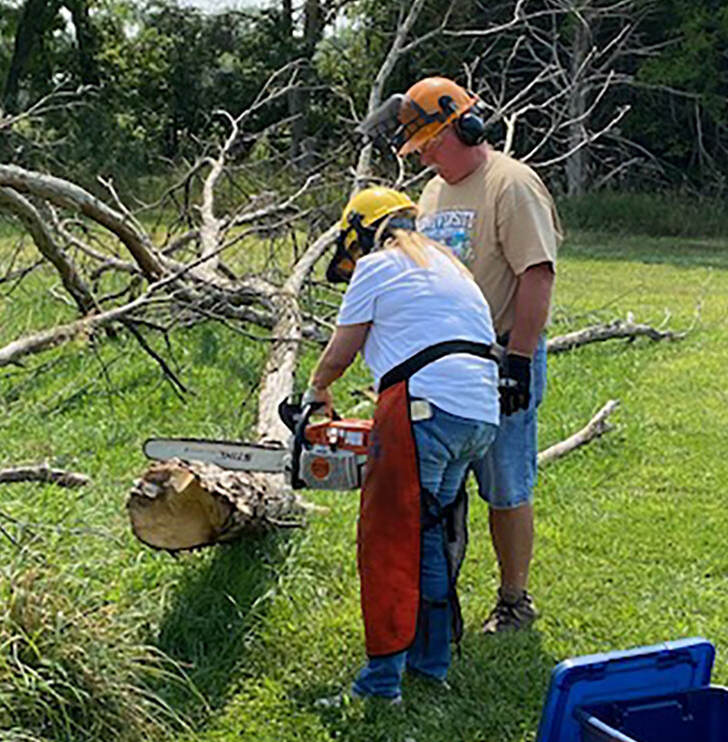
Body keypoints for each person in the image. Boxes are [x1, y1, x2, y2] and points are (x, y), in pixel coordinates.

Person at [308, 186, 500, 703]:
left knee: (390, 540)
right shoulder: (449, 265)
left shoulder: (380, 264)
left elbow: (340, 350)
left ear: (364, 231)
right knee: (429, 536)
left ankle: (380, 683)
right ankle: (430, 665)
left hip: (426, 407)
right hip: (478, 412)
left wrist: (316, 391)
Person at [393, 76, 561, 634]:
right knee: (440, 484)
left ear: (466, 126)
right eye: (419, 150)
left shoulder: (511, 185)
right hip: (444, 364)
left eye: (432, 144)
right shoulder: (434, 194)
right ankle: (438, 600)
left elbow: (535, 273)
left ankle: (514, 600)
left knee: (506, 484)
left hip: (500, 354)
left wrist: (518, 360)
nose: (427, 158)